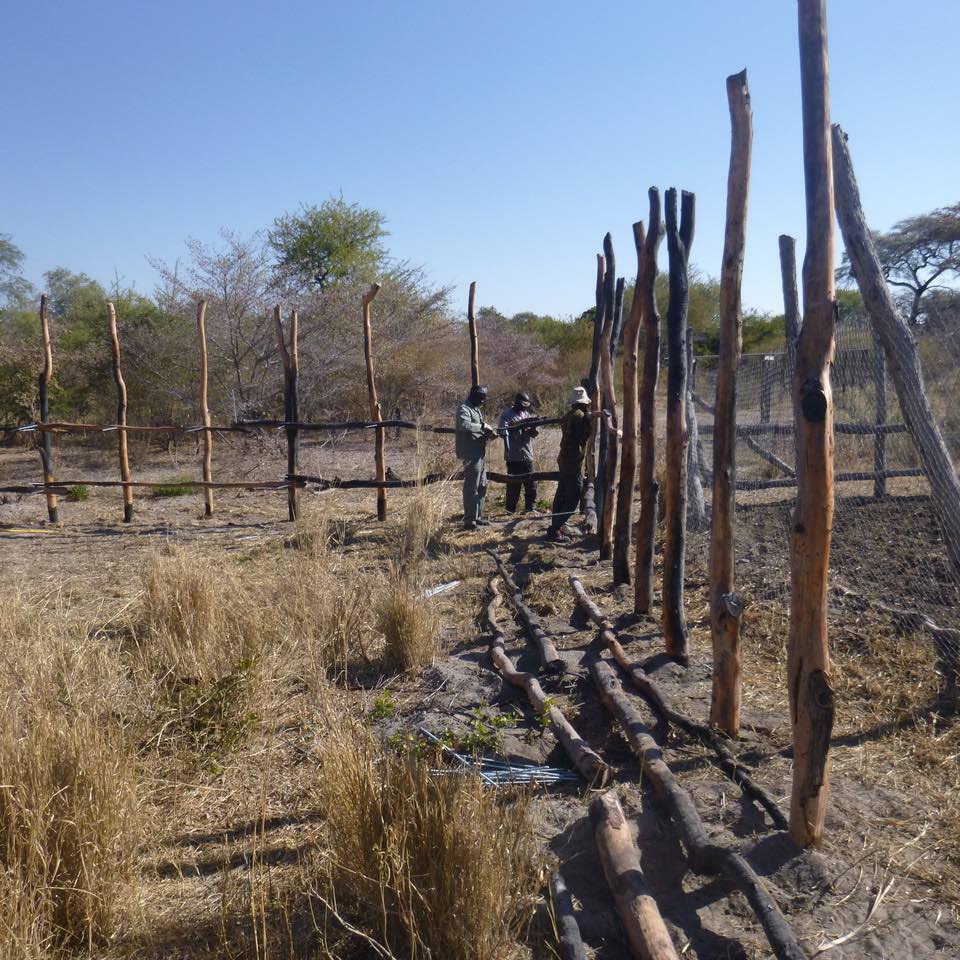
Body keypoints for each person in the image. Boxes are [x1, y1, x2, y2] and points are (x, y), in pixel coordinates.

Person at [547, 386, 595, 542]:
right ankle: (555, 529)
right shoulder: (580, 416)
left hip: (565, 458)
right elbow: (582, 438)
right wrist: (590, 422)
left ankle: (557, 527)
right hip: (573, 461)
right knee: (573, 496)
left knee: (561, 494)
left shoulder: (569, 415)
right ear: (584, 403)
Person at [455, 384, 497, 530]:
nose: (483, 401)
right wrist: (482, 427)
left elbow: (479, 428)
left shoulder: (476, 409)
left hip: (480, 452)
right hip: (470, 453)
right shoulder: (463, 409)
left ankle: (478, 516)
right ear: (473, 395)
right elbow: (464, 425)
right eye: (480, 398)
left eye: (484, 398)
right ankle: (469, 521)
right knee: (471, 487)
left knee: (482, 485)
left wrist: (489, 433)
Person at [497, 391, 539, 513]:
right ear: (517, 403)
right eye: (523, 404)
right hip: (514, 456)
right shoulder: (507, 415)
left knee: (531, 483)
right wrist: (515, 426)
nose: (525, 407)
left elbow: (534, 434)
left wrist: (532, 427)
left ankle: (530, 508)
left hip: (527, 454)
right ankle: (510, 510)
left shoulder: (526, 414)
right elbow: (502, 431)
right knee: (513, 485)